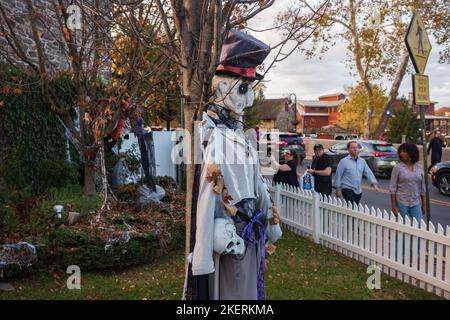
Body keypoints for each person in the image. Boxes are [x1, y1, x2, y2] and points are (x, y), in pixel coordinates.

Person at [335, 141, 379, 206]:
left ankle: (350, 216)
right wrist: (338, 189)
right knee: (351, 206)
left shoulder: (362, 161)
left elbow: (368, 172)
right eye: (353, 147)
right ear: (348, 149)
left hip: (358, 190)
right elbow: (338, 175)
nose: (355, 149)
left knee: (355, 208)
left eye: (356, 147)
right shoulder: (343, 161)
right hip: (347, 188)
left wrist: (374, 183)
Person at [389, 143, 425, 221]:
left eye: (404, 152)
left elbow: (422, 188)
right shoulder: (397, 168)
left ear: (411, 153)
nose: (402, 153)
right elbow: (392, 188)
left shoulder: (419, 168)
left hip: (415, 202)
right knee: (403, 227)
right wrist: (394, 206)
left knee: (418, 226)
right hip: (402, 202)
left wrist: (423, 205)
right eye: (401, 152)